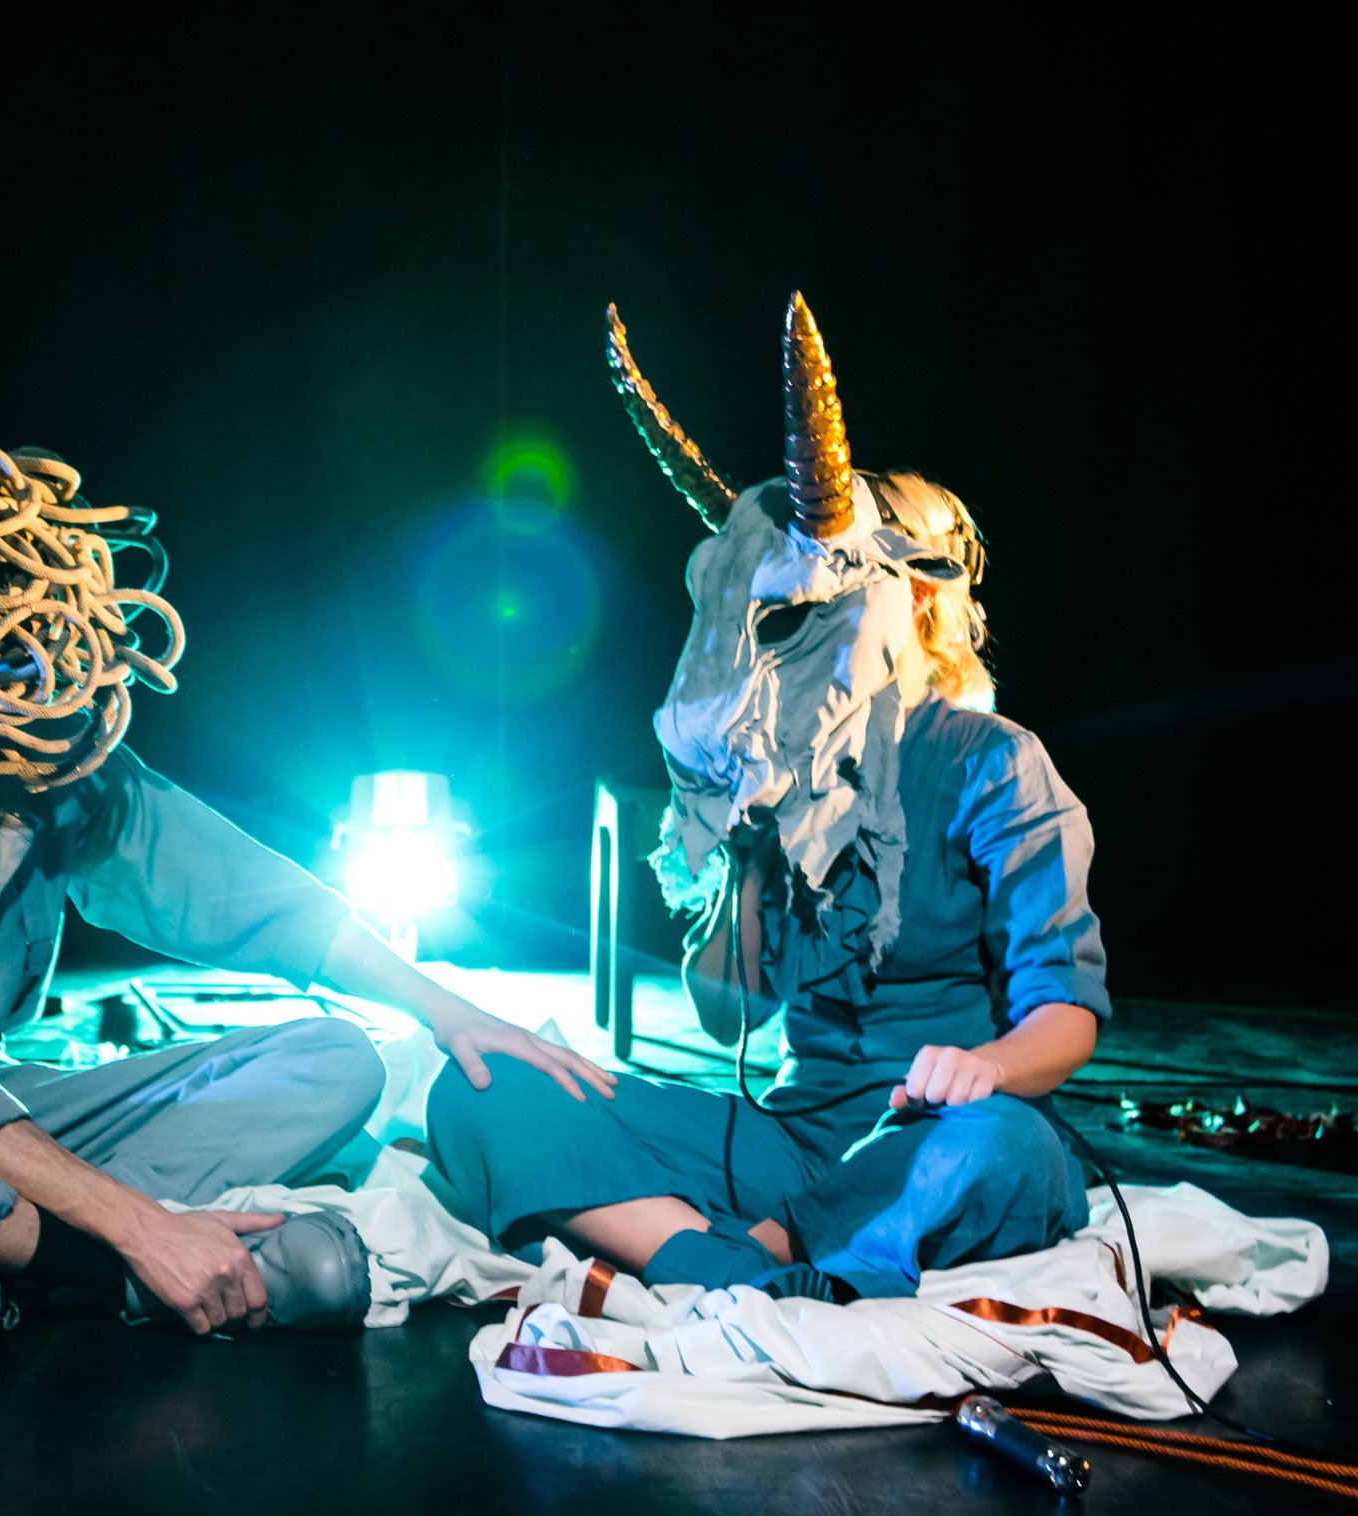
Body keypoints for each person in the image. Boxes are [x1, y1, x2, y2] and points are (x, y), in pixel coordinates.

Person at [0, 378, 615, 1357]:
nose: (48, 698)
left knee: (335, 1057)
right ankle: (91, 1277)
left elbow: (248, 897)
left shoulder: (47, 757)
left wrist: (446, 1008)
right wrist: (140, 1229)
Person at [429, 296, 1107, 1302]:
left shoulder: (991, 763)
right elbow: (717, 1016)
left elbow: (1064, 1013)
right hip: (788, 1140)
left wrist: (987, 1071)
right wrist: (743, 858)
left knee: (1010, 1155)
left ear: (913, 596)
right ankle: (729, 1263)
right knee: (483, 1085)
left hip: (935, 1131)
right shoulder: (779, 769)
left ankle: (746, 1252)